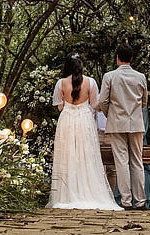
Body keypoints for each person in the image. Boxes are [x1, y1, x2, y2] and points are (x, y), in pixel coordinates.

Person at [47, 54, 122, 211]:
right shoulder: (91, 82)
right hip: (84, 121)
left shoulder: (61, 83)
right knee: (86, 155)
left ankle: (67, 194)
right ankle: (89, 192)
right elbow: (95, 105)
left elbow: (60, 107)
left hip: (67, 120)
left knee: (68, 156)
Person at [97, 41, 149, 210]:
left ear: (117, 57)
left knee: (121, 161)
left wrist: (110, 114)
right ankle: (140, 201)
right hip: (136, 123)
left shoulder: (109, 76)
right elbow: (144, 101)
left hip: (117, 123)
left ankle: (126, 201)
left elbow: (102, 101)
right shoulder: (140, 77)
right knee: (137, 161)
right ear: (131, 58)